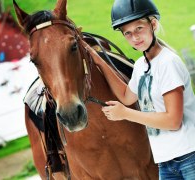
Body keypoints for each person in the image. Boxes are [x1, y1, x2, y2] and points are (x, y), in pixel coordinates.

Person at [82, 0, 195, 179]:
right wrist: (98, 60)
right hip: (165, 161)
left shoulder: (167, 63)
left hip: (189, 157)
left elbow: (173, 121)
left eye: (139, 28)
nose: (135, 37)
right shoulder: (141, 65)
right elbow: (127, 97)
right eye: (128, 33)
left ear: (153, 24)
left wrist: (125, 114)